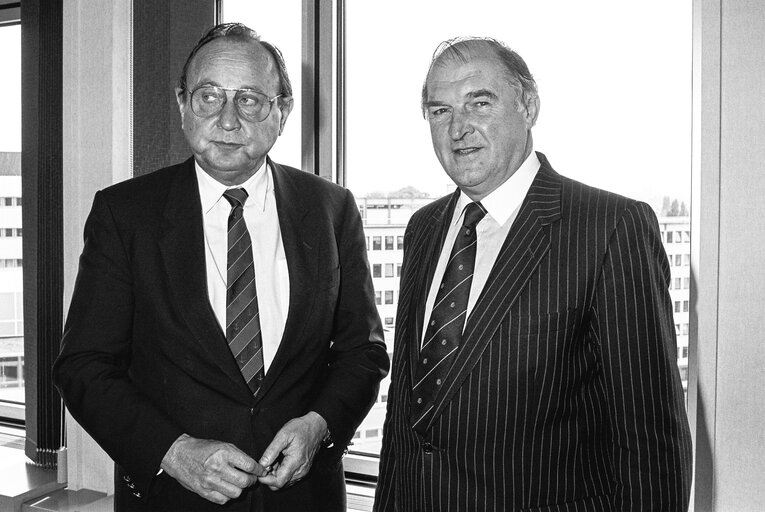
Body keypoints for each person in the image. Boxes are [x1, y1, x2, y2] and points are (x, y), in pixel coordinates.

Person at [53, 23, 389, 512]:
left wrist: (320, 425)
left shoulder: (332, 209)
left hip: (303, 499)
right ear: (182, 105)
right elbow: (83, 367)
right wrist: (173, 452)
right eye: (209, 96)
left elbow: (363, 351)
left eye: (250, 99)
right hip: (173, 498)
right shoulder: (125, 214)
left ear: (283, 112)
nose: (228, 120)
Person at [374, 37, 692, 512]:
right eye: (440, 111)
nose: (459, 128)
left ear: (529, 106)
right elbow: (409, 411)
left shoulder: (609, 227)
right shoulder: (423, 228)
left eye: (479, 102)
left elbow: (650, 442)